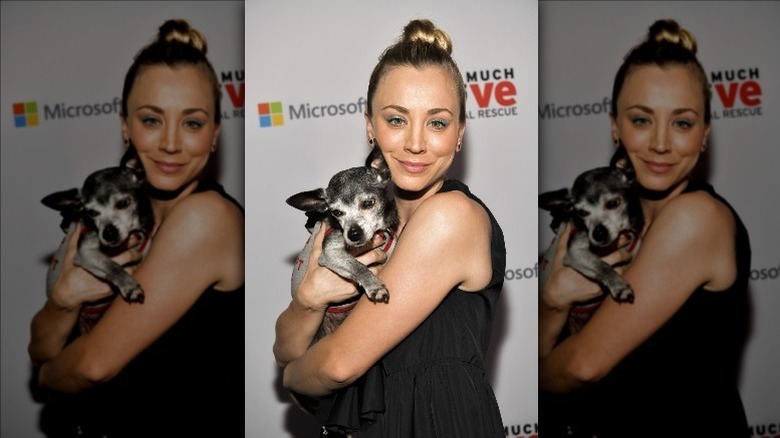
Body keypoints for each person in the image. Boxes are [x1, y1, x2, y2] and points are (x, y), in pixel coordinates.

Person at [273, 18, 507, 437]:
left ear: (459, 134)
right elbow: (284, 347)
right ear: (370, 126)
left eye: (437, 122)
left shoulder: (451, 217)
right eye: (397, 119)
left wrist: (291, 378)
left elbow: (335, 365)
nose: (415, 142)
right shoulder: (354, 227)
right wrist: (309, 300)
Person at [28, 19, 244, 438]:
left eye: (193, 123)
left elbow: (89, 366)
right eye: (151, 120)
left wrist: (45, 379)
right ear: (124, 126)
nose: (169, 143)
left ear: (215, 134)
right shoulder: (114, 214)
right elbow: (39, 346)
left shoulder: (207, 219)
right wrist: (63, 301)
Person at [538, 19, 751, 437]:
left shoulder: (697, 219)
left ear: (705, 133)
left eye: (683, 123)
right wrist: (553, 301)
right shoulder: (610, 217)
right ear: (615, 125)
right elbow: (557, 342)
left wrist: (514, 388)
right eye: (641, 120)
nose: (659, 143)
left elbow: (581, 366)